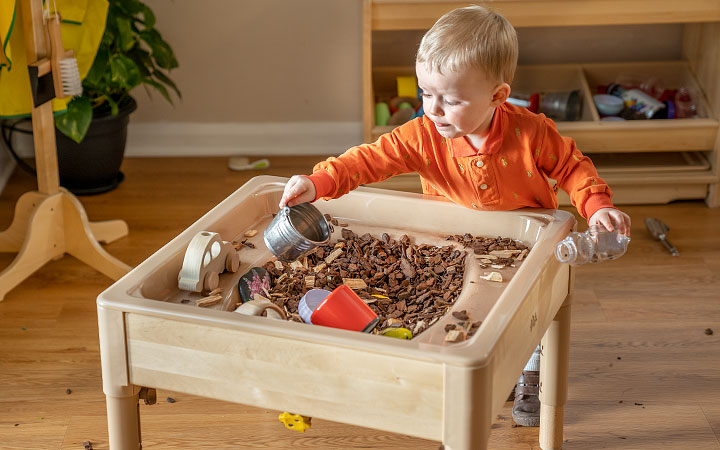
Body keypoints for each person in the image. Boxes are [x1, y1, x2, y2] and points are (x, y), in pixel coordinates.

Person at [279, 5, 631, 427]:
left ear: (498, 96)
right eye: (426, 94)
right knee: (464, 314)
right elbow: (369, 160)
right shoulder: (424, 134)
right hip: (454, 244)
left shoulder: (532, 132)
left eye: (451, 99)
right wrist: (318, 183)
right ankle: (463, 368)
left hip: (526, 244)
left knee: (528, 315)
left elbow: (574, 168)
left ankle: (529, 369)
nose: (433, 109)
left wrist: (598, 207)